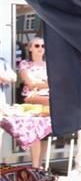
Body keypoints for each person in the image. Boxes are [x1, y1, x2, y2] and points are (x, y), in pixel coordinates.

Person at [16, 38, 50, 168]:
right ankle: (35, 166)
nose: (40, 48)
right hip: (33, 101)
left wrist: (38, 84)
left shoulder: (49, 64)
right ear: (30, 48)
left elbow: (56, 83)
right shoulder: (25, 64)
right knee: (36, 132)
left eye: (43, 45)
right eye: (36, 45)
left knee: (46, 134)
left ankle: (39, 167)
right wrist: (46, 83)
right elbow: (29, 83)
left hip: (48, 100)